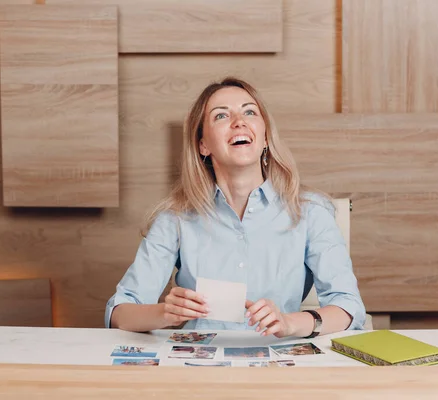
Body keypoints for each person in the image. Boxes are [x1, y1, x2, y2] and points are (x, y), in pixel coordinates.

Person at [105, 77, 366, 338]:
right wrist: (165, 314)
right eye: (221, 116)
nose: (239, 121)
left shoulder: (311, 211)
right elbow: (119, 313)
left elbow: (349, 307)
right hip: (198, 366)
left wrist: (290, 323)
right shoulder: (175, 218)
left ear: (265, 138)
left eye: (250, 112)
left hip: (279, 367)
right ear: (203, 145)